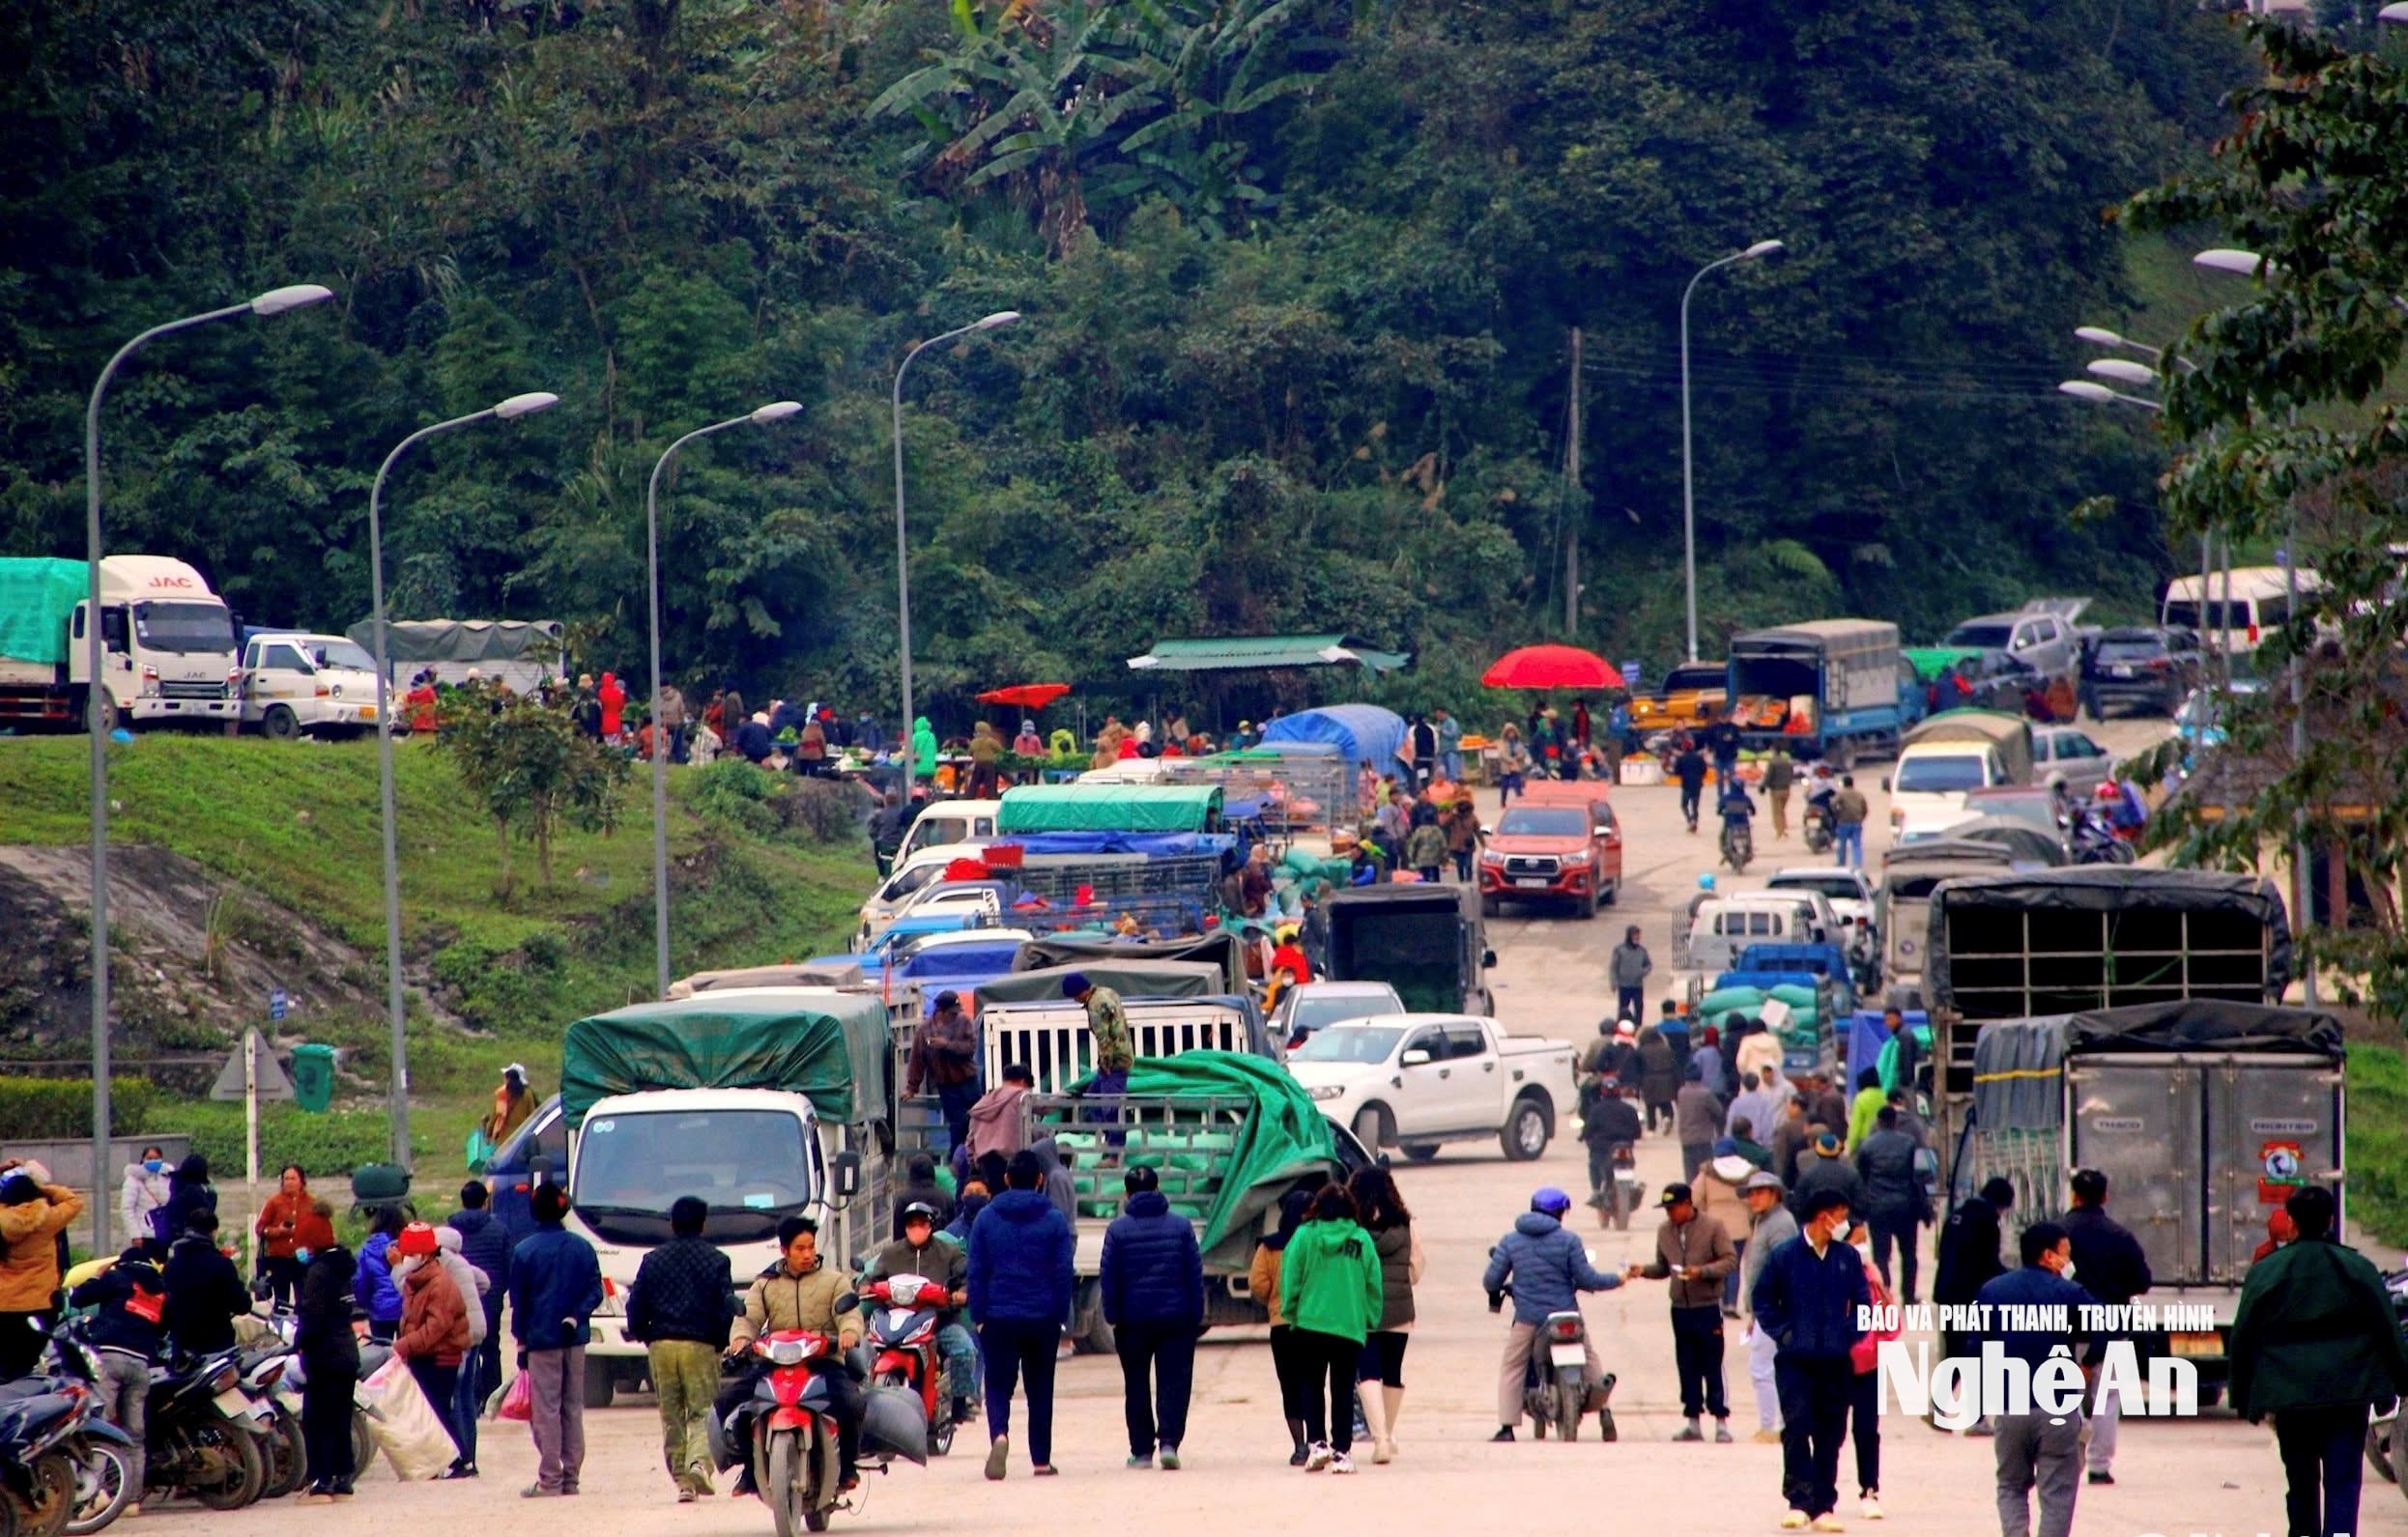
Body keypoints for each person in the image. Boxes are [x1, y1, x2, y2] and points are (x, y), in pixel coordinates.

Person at [2231, 1183, 2408, 1537]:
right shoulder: (2358, 1268)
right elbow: (2387, 1330)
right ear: (2330, 1219)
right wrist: (2398, 1384)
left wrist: (2244, 1397)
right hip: (2348, 1395)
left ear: (2291, 1222)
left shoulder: (2266, 1272)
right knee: (2343, 1482)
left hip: (2290, 1398)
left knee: (2301, 1483)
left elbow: (2243, 1337)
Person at [1752, 1186, 1869, 1532]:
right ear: (1824, 1217)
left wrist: (1848, 1335)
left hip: (1835, 1360)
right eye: (1842, 1216)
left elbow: (1863, 1305)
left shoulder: (1847, 1257)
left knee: (1831, 1432)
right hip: (1795, 1361)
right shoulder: (1785, 1256)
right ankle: (1798, 1500)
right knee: (1798, 1425)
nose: (1845, 1224)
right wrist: (1785, 1334)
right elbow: (1763, 1300)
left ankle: (1824, 1504)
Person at [724, 1215, 863, 1495]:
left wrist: (848, 1332)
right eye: (800, 1248)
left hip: (822, 1361)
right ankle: (751, 1470)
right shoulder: (765, 1284)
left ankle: (847, 1467)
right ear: (784, 1250)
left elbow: (848, 1313)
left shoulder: (834, 1281)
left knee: (851, 1403)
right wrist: (740, 1339)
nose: (807, 1254)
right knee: (733, 1404)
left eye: (811, 1247)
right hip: (775, 1362)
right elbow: (748, 1318)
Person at [1974, 1221, 2095, 1537]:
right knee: (2057, 1493)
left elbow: (1974, 1347)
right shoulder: (2069, 1292)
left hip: (2011, 1406)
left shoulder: (1993, 1291)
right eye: (2065, 1254)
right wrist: (2088, 1363)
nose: (2069, 1262)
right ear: (2047, 1256)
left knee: (2011, 1485)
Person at [1481, 1186, 1623, 1441]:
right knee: (1589, 1358)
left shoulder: (1510, 1241)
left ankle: (1507, 1428)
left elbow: (1491, 1280)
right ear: (1559, 1213)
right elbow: (1588, 1279)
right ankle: (1604, 1410)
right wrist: (1618, 1279)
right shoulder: (1569, 1240)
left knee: (1512, 1366)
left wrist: (1500, 1289)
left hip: (1529, 1318)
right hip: (1566, 1315)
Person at [969, 1149, 1075, 1480]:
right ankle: (1041, 1460)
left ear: (1006, 1179)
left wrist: (979, 1314)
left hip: (998, 1315)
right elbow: (1062, 1272)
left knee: (998, 1384)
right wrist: (1060, 1314)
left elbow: (977, 1270)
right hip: (1042, 1315)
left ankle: (1000, 1435)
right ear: (1040, 1180)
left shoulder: (986, 1218)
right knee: (1040, 1388)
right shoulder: (1054, 1219)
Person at [626, 1196, 734, 1502]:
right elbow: (724, 1308)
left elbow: (636, 1305)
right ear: (703, 1224)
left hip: (661, 1345)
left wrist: (645, 1336)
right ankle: (699, 1463)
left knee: (671, 1414)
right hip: (699, 1345)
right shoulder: (716, 1260)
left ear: (671, 1224)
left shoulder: (652, 1260)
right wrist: (720, 1342)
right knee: (702, 1411)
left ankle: (683, 1482)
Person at [1099, 1166, 1203, 1469]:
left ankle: (1142, 1451)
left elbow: (1109, 1278)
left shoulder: (1118, 1230)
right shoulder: (1181, 1226)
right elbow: (1193, 1275)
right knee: (1174, 1382)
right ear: (1158, 1188)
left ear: (1127, 1193)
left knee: (1136, 1385)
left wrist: (1113, 1314)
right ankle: (1169, 1443)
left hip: (1133, 1323)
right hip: (1176, 1319)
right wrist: (1195, 1314)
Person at [1279, 1184, 1384, 1474]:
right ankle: (1342, 1452)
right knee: (1342, 1389)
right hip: (1348, 1325)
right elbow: (1374, 1283)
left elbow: (1290, 1276)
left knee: (1311, 1386)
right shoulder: (1361, 1239)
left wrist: (1291, 1310)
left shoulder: (1304, 1236)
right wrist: (1370, 1318)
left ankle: (1317, 1444)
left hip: (1310, 1323)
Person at [510, 1181, 605, 1498]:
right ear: (564, 1208)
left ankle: (550, 1478)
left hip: (539, 1339)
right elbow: (595, 1291)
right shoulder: (583, 1247)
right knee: (573, 1407)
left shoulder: (524, 1251)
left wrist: (520, 1343)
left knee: (546, 1409)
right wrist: (576, 1316)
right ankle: (571, 1479)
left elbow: (520, 1304)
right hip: (574, 1338)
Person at [2058, 1167, 2150, 1488]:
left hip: (2067, 1330)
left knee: (2064, 1396)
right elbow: (2142, 1281)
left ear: (2073, 1195)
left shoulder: (2057, 1233)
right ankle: (2099, 1466)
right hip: (2113, 1328)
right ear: (2105, 1196)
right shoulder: (2120, 1236)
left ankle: (2066, 1461)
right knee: (2108, 1398)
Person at [1627, 1181, 1738, 1441]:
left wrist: (1703, 1272)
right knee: (1687, 1364)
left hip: (1707, 1306)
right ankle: (1693, 1420)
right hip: (1680, 1308)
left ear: (1688, 1205)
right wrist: (1643, 1271)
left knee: (1713, 1363)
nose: (1670, 1214)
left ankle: (1721, 1420)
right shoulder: (1665, 1231)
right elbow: (1663, 1267)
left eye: (1673, 1208)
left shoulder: (1713, 1227)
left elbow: (1729, 1260)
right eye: (1666, 1210)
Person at [70, 1242, 166, 1513]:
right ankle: (131, 1501)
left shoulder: (118, 1276)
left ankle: (93, 1495)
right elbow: (164, 1325)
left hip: (110, 1358)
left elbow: (78, 1298)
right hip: (142, 1364)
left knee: (99, 1427)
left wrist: (99, 1276)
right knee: (135, 1434)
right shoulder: (159, 1290)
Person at [865, 1202, 977, 1428]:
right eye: (912, 1224)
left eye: (922, 1224)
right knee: (862, 1352)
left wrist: (961, 1293)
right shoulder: (890, 1253)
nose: (917, 1228)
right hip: (897, 1321)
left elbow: (964, 1279)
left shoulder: (949, 1252)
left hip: (940, 1321)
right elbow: (872, 1278)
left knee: (964, 1350)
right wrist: (866, 1287)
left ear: (930, 1226)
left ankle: (959, 1403)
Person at [1349, 1166, 1421, 1464]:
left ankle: (1378, 1438)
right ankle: (1388, 1435)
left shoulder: (1352, 1229)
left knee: (1368, 1373)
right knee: (1393, 1374)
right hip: (1400, 1311)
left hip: (1364, 1310)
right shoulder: (1405, 1226)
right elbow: (1416, 1269)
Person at [1249, 1186, 1323, 1465]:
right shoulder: (1318, 1243)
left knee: (1289, 1386)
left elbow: (1258, 1284)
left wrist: (1273, 1299)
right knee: (1313, 1382)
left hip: (1281, 1325)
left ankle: (1300, 1445)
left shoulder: (1269, 1247)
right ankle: (1319, 1441)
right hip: (1314, 1323)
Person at [391, 1222, 473, 1472]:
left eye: (408, 1255)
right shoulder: (415, 1282)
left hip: (440, 1357)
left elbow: (434, 1330)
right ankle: (448, 1461)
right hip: (422, 1356)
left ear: (425, 1255)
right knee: (430, 1411)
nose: (404, 1259)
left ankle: (462, 1460)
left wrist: (401, 1346)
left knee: (439, 1410)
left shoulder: (440, 1284)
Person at [1840, 1217, 1900, 1521]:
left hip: (1869, 1364)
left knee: (1867, 1430)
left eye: (1865, 1241)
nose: (1862, 1248)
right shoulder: (1828, 1277)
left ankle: (1869, 1489)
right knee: (1830, 1431)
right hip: (1836, 1362)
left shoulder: (1872, 1276)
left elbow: (1891, 1323)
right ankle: (1821, 1491)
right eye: (1856, 1240)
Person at [0, 1166, 82, 1378]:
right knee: (26, 1363)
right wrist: (44, 1188)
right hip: (40, 1302)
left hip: (5, 1302)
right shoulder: (48, 1219)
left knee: (5, 1362)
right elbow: (74, 1201)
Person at [296, 1238, 360, 1501]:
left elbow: (313, 1317)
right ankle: (344, 1477)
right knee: (341, 1418)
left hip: (324, 1355)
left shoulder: (318, 1272)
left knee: (318, 1418)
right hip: (346, 1350)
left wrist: (300, 1344)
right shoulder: (343, 1267)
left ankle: (323, 1481)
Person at [1737, 1170, 1798, 1445]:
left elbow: (1786, 1269)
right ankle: (1781, 1425)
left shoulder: (1781, 1224)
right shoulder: (1763, 1221)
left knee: (1763, 1367)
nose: (1754, 1198)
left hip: (1776, 1306)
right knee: (1771, 1367)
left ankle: (1771, 1426)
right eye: (1751, 1193)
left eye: (1760, 1192)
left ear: (1775, 1194)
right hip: (1765, 1308)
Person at [445, 1181, 513, 1420]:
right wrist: (499, 1290)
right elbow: (508, 1267)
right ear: (486, 1201)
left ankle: (470, 1399)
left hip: (457, 1298)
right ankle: (493, 1398)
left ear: (462, 1200)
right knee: (491, 1349)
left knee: (464, 1349)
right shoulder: (499, 1229)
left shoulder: (450, 1230)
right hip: (490, 1297)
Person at [1853, 1106, 1929, 1305]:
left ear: (1878, 1122)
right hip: (1906, 1206)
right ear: (1895, 1121)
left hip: (1878, 1207)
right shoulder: (1909, 1143)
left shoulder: (1867, 1146)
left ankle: (1883, 1295)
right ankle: (1909, 1296)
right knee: (1909, 1254)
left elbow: (1861, 1177)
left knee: (1881, 1255)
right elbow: (1918, 1177)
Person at [162, 1208, 248, 1357]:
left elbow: (165, 1304)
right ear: (213, 1232)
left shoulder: (171, 1265)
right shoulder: (221, 1264)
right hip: (216, 1347)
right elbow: (241, 1305)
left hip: (182, 1348)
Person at [907, 990, 983, 1155]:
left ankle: (979, 1155)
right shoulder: (924, 1030)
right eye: (951, 1013)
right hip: (946, 1085)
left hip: (968, 1080)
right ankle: (957, 1159)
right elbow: (917, 1060)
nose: (954, 1016)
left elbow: (970, 1048)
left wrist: (947, 1045)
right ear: (940, 1011)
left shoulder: (964, 1022)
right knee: (958, 1124)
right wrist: (912, 1087)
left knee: (979, 1118)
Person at [1578, 1069, 1643, 1229]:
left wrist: (1583, 1136)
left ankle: (1595, 1191)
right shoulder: (1629, 1110)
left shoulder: (1596, 1110)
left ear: (1603, 1092)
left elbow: (1588, 1131)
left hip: (1603, 1150)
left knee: (1594, 1165)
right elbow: (1637, 1132)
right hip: (1625, 1148)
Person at [1064, 971, 1133, 1105]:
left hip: (1114, 1061)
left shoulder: (1095, 1004)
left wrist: (1106, 1064)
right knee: (1093, 1097)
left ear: (1081, 991)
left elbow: (1104, 1038)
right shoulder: (1108, 993)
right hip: (1125, 1053)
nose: (1075, 1000)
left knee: (1110, 1107)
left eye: (1075, 996)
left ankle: (1110, 1126)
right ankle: (1102, 1125)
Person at [253, 1163, 312, 1308]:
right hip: (280, 1260)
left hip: (302, 1258)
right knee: (281, 1302)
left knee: (304, 1300)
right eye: (286, 1179)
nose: (289, 1182)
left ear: (301, 1181)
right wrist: (277, 1231)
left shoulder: (311, 1202)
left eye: (293, 1178)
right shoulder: (274, 1202)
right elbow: (260, 1228)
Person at [965, 1063, 1036, 1167]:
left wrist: (973, 1160)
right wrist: (1064, 1094)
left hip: (984, 1161)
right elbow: (1045, 1107)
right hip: (1011, 1161)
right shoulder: (1021, 1097)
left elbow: (970, 1140)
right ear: (1023, 1082)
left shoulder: (982, 1104)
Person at [1789, 1132, 1863, 1226]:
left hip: (1816, 1229)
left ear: (1817, 1151)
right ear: (1838, 1151)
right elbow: (1861, 1206)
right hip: (1846, 1228)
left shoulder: (1807, 1176)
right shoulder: (1852, 1175)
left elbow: (1798, 1206)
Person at [358, 1204, 406, 1342]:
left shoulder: (367, 1248)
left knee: (381, 1354)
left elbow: (360, 1281)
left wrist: (365, 1304)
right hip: (407, 1308)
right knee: (408, 1355)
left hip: (380, 1310)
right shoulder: (408, 1245)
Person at [1674, 1064, 1723, 1182]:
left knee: (1690, 1176)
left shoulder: (1681, 1092)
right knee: (1706, 1175)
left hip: (1686, 1139)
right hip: (1702, 1139)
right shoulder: (1705, 1093)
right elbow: (1719, 1111)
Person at [892, 1154, 958, 1240]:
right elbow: (951, 1232)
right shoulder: (946, 1197)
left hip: (912, 1250)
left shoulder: (903, 1199)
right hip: (940, 1250)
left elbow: (898, 1235)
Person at [158, 1152, 217, 1244]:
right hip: (190, 1236)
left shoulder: (177, 1184)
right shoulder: (193, 1191)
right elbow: (208, 1211)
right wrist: (212, 1194)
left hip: (170, 1232)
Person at [120, 1146, 171, 1245]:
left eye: (156, 1158)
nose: (153, 1161)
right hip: (144, 1234)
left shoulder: (167, 1178)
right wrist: (135, 1234)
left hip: (163, 1233)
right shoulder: (133, 1180)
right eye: (150, 1158)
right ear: (143, 1159)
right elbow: (127, 1209)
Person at [1638, 1017, 1681, 1134]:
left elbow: (1638, 1067)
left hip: (1648, 1079)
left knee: (1650, 1107)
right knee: (1666, 1104)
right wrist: (1678, 1082)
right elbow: (1674, 1066)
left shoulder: (1642, 1050)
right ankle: (1667, 1118)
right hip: (1666, 1078)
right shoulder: (1667, 1049)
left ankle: (1651, 1128)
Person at [1610, 925, 1652, 1024]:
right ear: (1629, 936)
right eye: (1634, 935)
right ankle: (1622, 1026)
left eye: (1638, 936)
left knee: (1639, 1009)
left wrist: (1643, 972)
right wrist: (1614, 982)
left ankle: (1637, 1027)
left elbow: (1649, 965)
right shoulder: (1619, 950)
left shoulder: (1642, 950)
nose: (1637, 938)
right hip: (1624, 985)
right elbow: (1613, 967)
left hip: (1637, 986)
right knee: (1623, 1010)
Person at [486, 1063, 534, 1147]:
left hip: (504, 1140)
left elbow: (496, 1115)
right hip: (521, 1137)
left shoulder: (502, 1095)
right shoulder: (528, 1094)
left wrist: (488, 1133)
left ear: (508, 1079)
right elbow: (532, 1115)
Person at [1828, 775, 1869, 868]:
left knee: (1842, 844)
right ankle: (1857, 864)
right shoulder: (1859, 794)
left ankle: (1841, 863)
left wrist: (1837, 814)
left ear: (1844, 784)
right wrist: (1861, 818)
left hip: (1844, 822)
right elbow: (1865, 809)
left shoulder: (1841, 793)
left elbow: (1833, 804)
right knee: (1856, 845)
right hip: (1857, 823)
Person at [1844, 1067, 1885, 1153]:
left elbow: (1856, 1124)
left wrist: (1851, 1146)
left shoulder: (1861, 1098)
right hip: (1881, 1138)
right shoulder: (1883, 1096)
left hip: (1865, 1140)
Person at [1674, 739, 1708, 833]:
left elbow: (1676, 772)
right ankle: (1694, 821)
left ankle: (1689, 820)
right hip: (1697, 784)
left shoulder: (1681, 758)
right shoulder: (1699, 758)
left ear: (1683, 748)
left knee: (1684, 805)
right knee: (1695, 806)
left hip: (1686, 784)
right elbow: (1704, 770)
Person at [1404, 811, 1447, 883]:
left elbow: (1413, 844)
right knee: (1436, 877)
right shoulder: (1437, 831)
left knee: (1423, 878)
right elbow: (1443, 845)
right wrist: (1444, 859)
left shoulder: (1420, 830)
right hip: (1435, 859)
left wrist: (1410, 858)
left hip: (1422, 859)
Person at [1763, 748, 1796, 840]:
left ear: (1774, 751)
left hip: (1776, 790)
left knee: (1777, 812)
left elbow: (1768, 776)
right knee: (1782, 810)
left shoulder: (1773, 762)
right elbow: (1792, 774)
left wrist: (1763, 786)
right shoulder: (1787, 762)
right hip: (1787, 789)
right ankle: (1784, 828)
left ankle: (1780, 831)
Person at [1496, 723, 1531, 803]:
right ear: (1506, 733)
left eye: (1512, 732)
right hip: (1506, 767)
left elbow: (1523, 753)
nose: (1511, 734)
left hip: (1516, 767)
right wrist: (1511, 760)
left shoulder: (1518, 742)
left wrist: (1518, 757)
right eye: (1509, 732)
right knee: (1505, 786)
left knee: (1517, 784)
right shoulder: (1502, 742)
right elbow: (1502, 754)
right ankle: (1503, 801)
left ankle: (1521, 800)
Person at [1435, 707, 1464, 782]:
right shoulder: (1439, 723)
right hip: (1442, 751)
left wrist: (1442, 731)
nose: (1438, 717)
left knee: (1452, 772)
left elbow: (1454, 734)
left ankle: (1452, 788)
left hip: (1451, 750)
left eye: (1440, 715)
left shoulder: (1452, 722)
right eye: (1437, 716)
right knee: (1443, 772)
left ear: (1445, 713)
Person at [911, 714, 939, 781]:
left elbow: (910, 750)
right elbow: (935, 751)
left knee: (919, 788)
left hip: (919, 770)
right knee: (928, 787)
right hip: (931, 769)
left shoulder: (916, 736)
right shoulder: (932, 736)